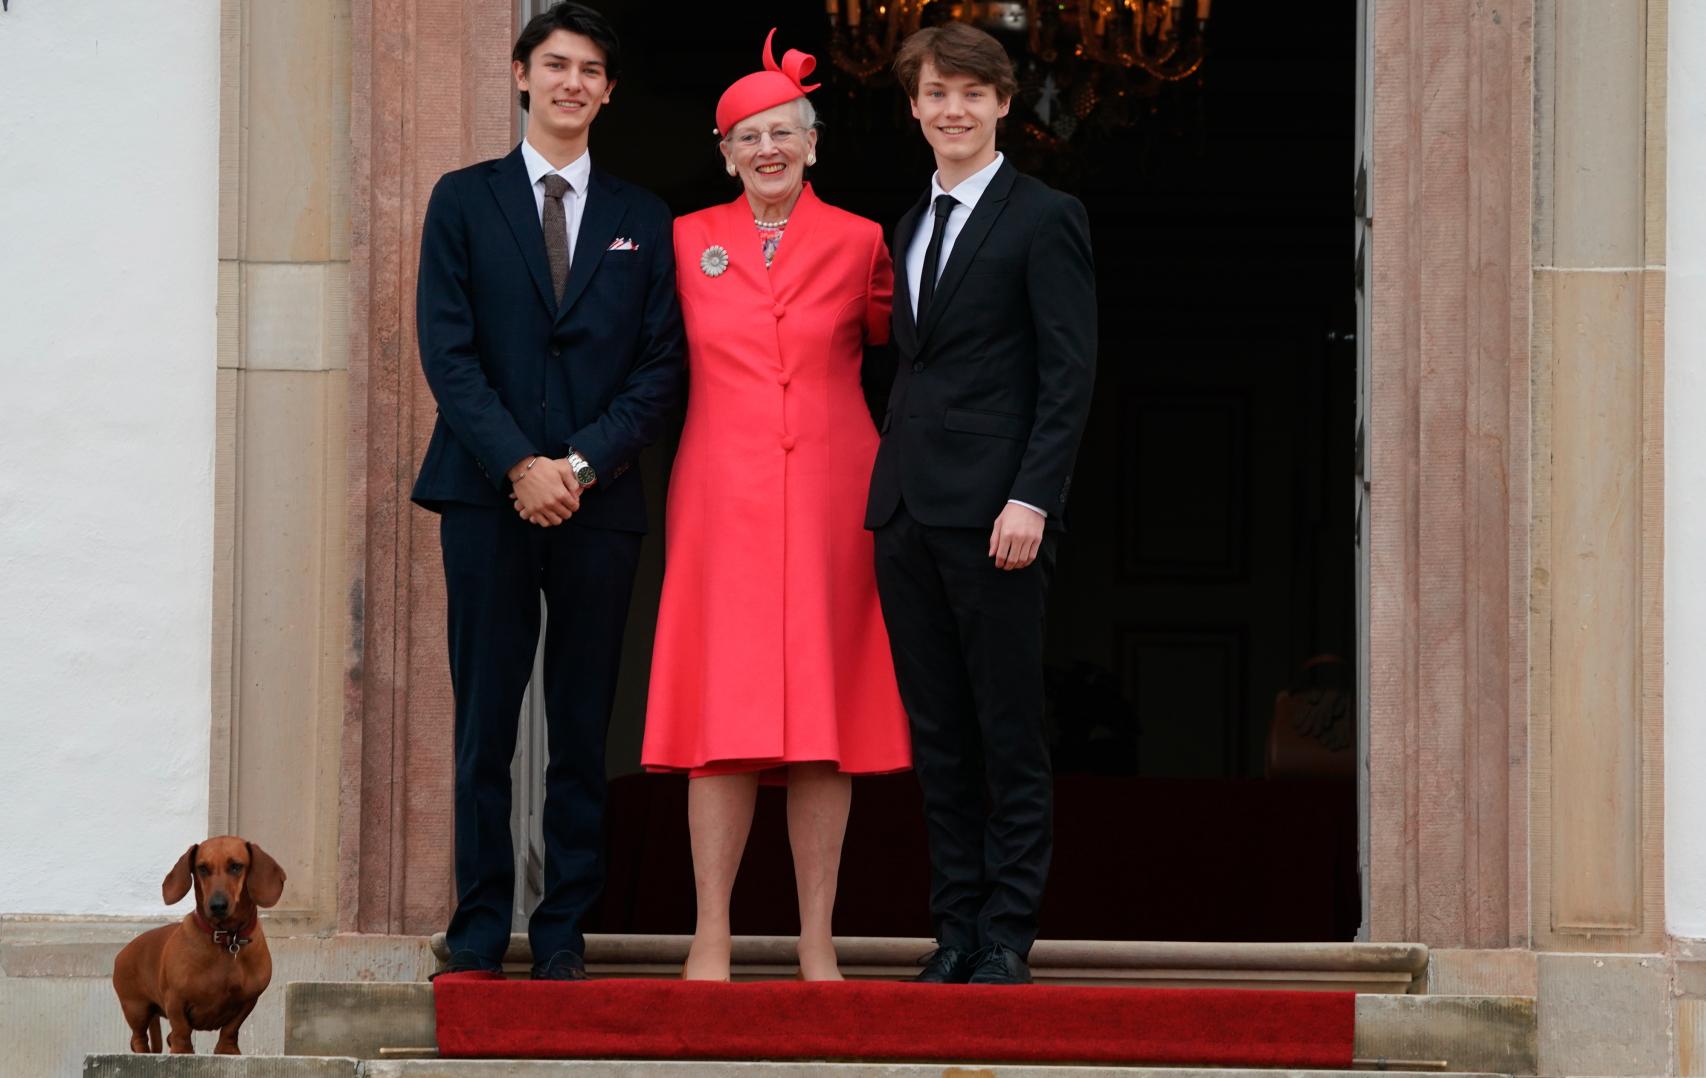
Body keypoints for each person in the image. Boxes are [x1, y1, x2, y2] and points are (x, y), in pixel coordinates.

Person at [412, 1, 685, 981]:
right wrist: (519, 465)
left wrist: (573, 467)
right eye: (556, 64)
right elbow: (447, 349)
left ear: (608, 91)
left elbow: (660, 368)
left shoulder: (642, 218)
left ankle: (563, 927)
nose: (573, 82)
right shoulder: (461, 199)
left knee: (579, 722)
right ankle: (480, 925)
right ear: (520, 74)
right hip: (486, 494)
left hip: (597, 503)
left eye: (591, 70)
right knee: (485, 721)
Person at [641, 29, 911, 983]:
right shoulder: (682, 240)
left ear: (813, 141)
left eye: (784, 131)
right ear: (723, 152)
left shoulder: (865, 241)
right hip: (720, 489)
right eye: (748, 136)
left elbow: (919, 355)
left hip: (838, 491)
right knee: (721, 715)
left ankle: (816, 939)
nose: (768, 149)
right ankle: (709, 932)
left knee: (820, 720)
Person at [866, 22, 1097, 986]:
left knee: (1007, 732)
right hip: (907, 514)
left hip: (999, 517)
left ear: (1004, 104)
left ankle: (1007, 933)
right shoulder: (905, 223)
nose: (952, 109)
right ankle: (953, 928)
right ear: (914, 107)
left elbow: (1069, 372)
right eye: (935, 93)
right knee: (937, 738)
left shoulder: (1046, 216)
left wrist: (1031, 499)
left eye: (971, 92)